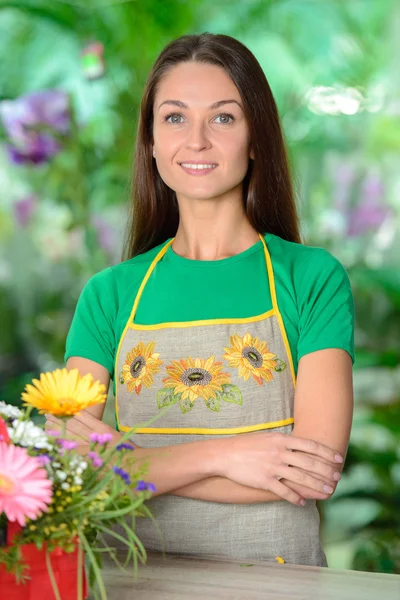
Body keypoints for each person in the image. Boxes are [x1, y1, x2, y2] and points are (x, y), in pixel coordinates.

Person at [46, 33, 354, 567]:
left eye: (223, 118)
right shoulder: (110, 293)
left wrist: (132, 462)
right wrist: (230, 455)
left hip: (276, 583)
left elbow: (311, 470)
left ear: (256, 138)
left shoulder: (312, 278)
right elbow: (72, 467)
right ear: (149, 142)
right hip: (129, 580)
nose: (197, 141)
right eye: (174, 118)